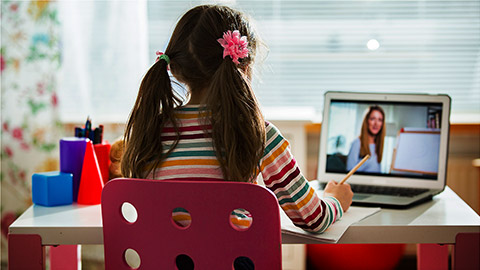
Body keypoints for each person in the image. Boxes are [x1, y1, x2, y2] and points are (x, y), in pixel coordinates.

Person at [120, 5, 353, 236]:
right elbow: (313, 219)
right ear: (245, 65)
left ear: (175, 69)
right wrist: (335, 200)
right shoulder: (259, 134)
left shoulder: (149, 130)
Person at [347, 105, 386, 173]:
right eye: (372, 119)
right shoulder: (356, 143)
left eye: (380, 120)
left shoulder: (378, 145)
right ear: (366, 121)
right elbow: (349, 171)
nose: (376, 123)